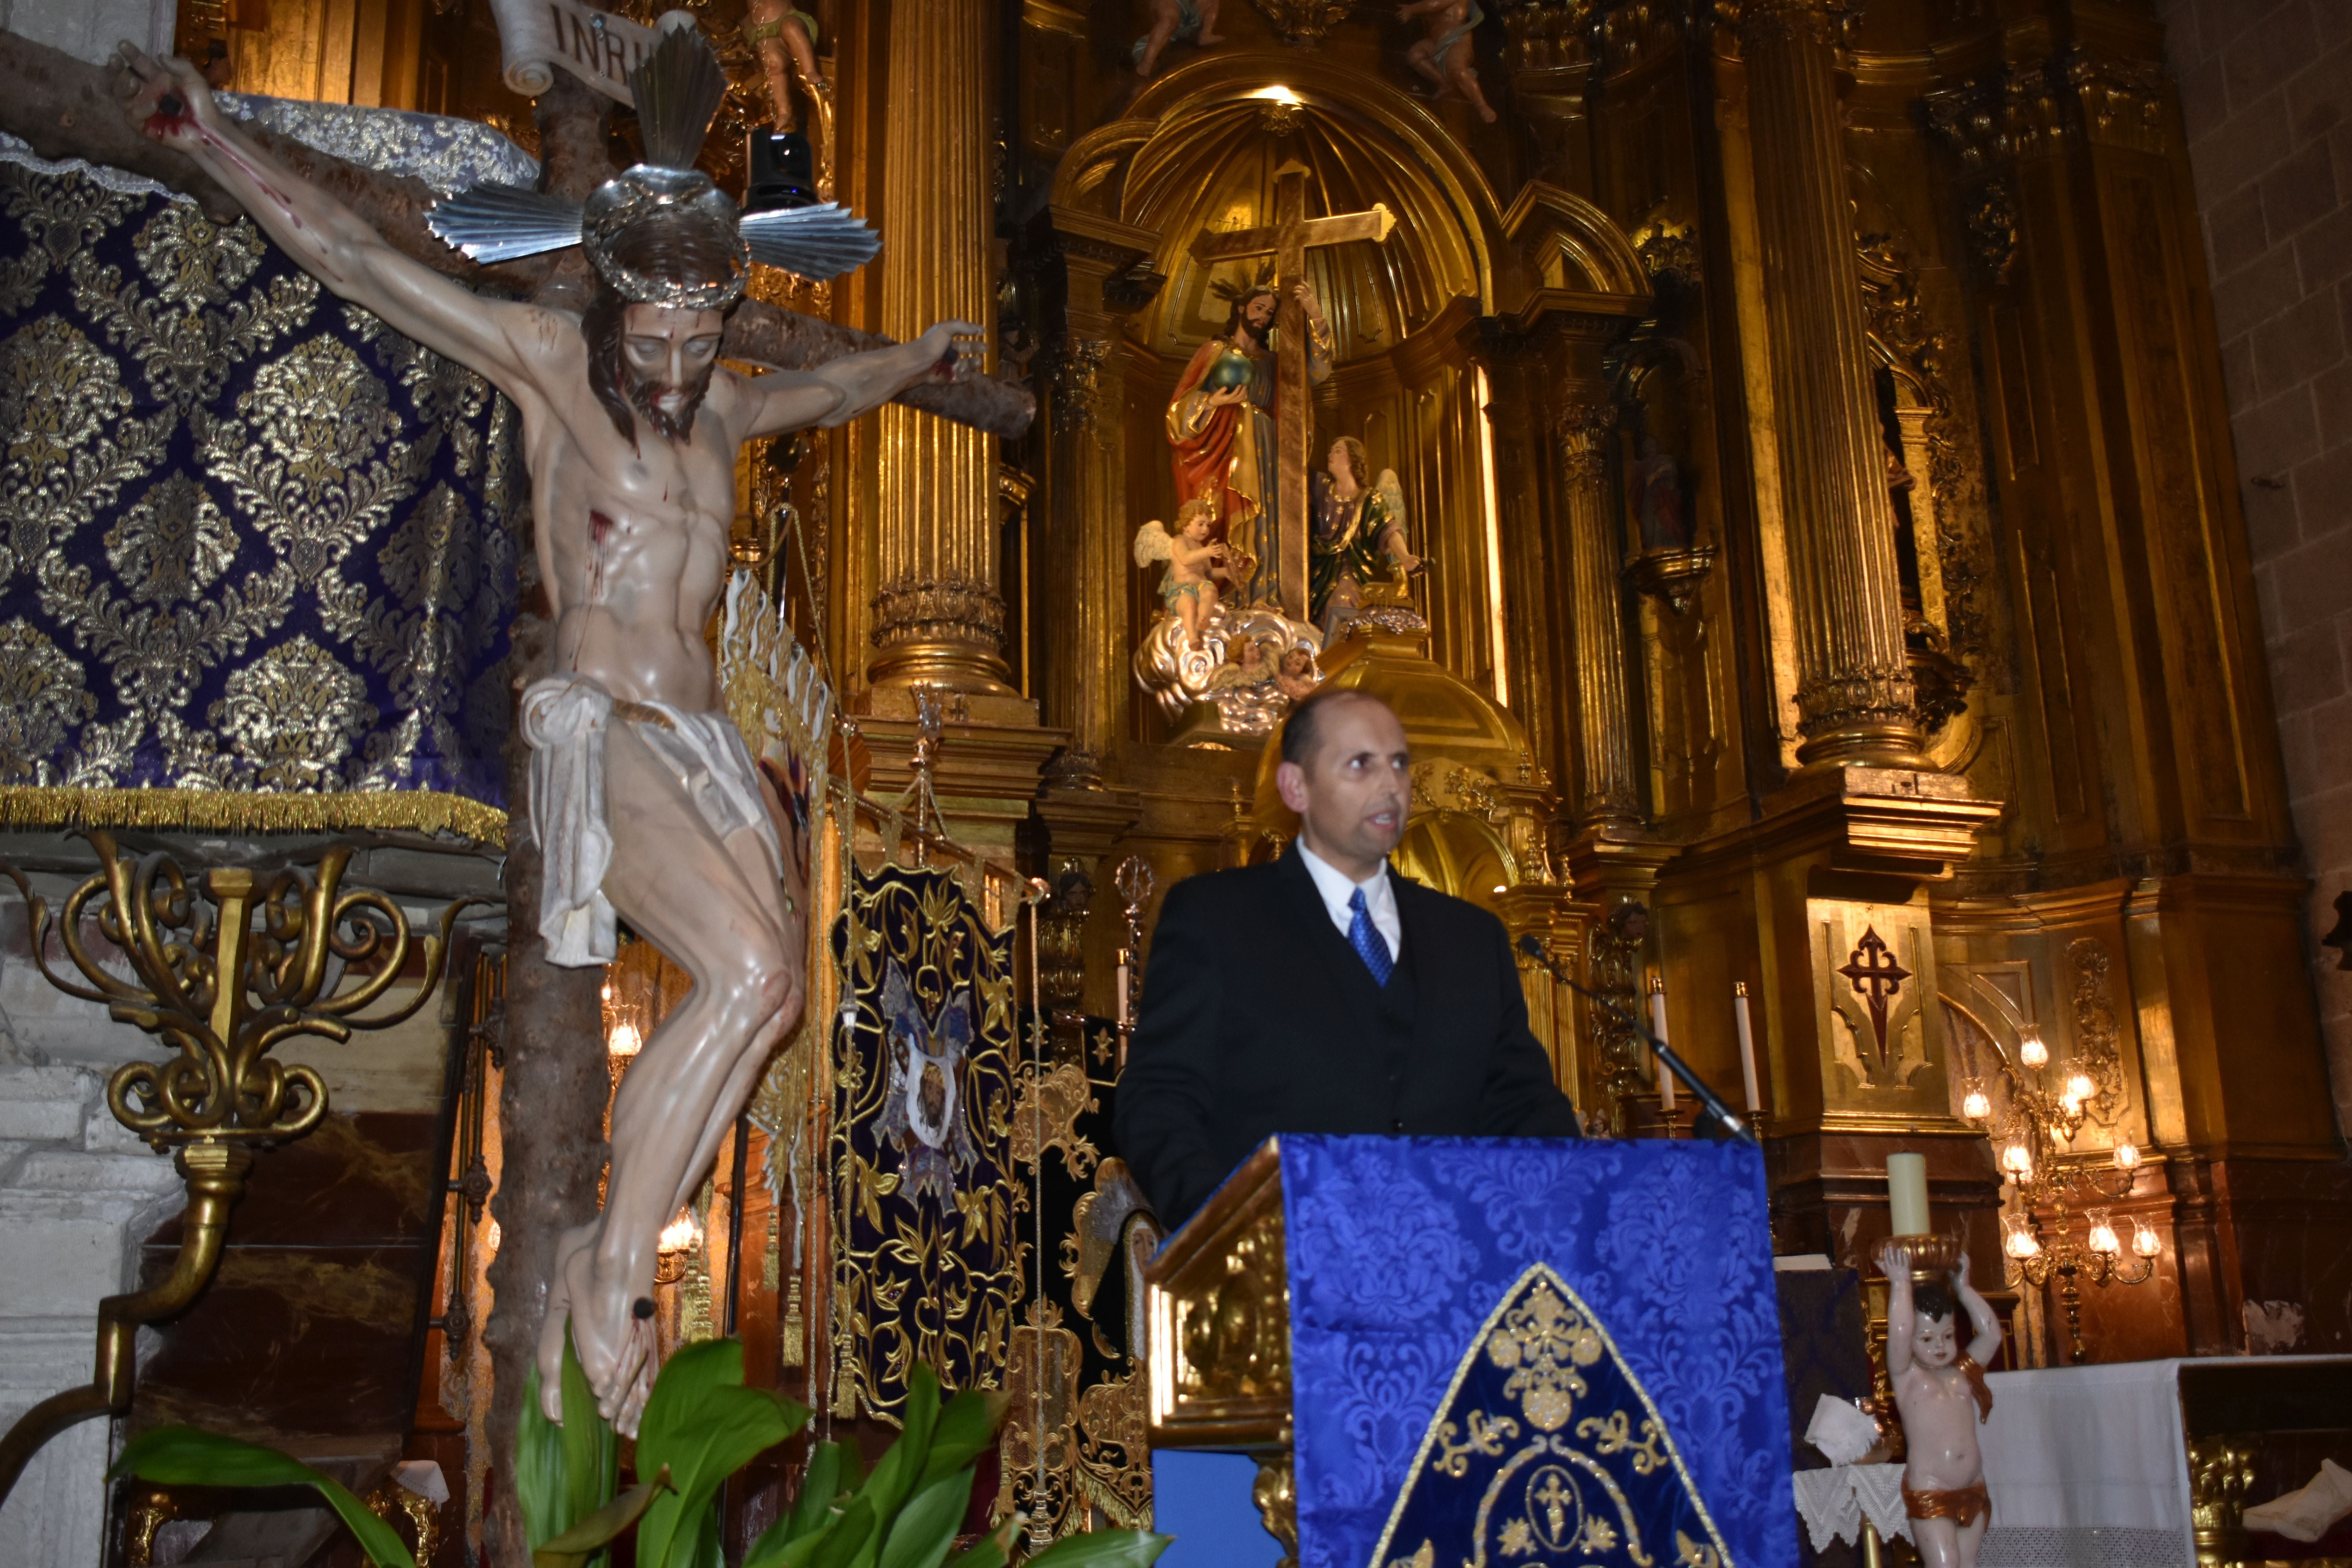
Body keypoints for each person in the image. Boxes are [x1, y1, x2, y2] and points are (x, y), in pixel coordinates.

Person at [116, 33, 974, 1434]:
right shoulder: (547, 364)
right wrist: (210, 142)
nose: (683, 364)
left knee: (770, 997)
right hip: (598, 714)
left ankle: (616, 1237)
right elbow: (358, 260)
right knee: (751, 963)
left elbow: (829, 391)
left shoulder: (726, 407)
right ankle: (610, 1256)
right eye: (659, 338)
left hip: (696, 735)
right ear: (614, 307)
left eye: (704, 337)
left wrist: (919, 354)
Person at [1116, 689, 1580, 1227]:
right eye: (1360, 764)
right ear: (1296, 786)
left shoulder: (1472, 938)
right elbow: (1158, 1103)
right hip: (1277, 1275)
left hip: (1453, 1271)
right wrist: (1228, 1229)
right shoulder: (1216, 920)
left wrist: (1564, 1201)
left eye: (1399, 764)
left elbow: (1524, 1105)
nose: (1390, 786)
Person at [1166, 281, 1332, 607]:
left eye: (1270, 313)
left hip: (1267, 451)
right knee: (1220, 522)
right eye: (1258, 309)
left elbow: (1318, 372)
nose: (1263, 318)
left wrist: (1316, 317)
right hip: (1223, 451)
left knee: (1265, 525)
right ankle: (1225, 599)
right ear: (1241, 308)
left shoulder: (1274, 362)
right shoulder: (1214, 352)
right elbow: (1176, 413)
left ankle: (1264, 599)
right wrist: (1211, 402)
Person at [1877, 1243, 2004, 1568]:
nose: (1940, 1346)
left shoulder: (1961, 1373)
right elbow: (1902, 1330)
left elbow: (1991, 1335)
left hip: (1973, 1487)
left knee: (1968, 1564)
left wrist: (1964, 1288)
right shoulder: (1907, 1377)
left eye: (1947, 1336)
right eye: (1928, 1339)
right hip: (1932, 1490)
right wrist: (1901, 1284)